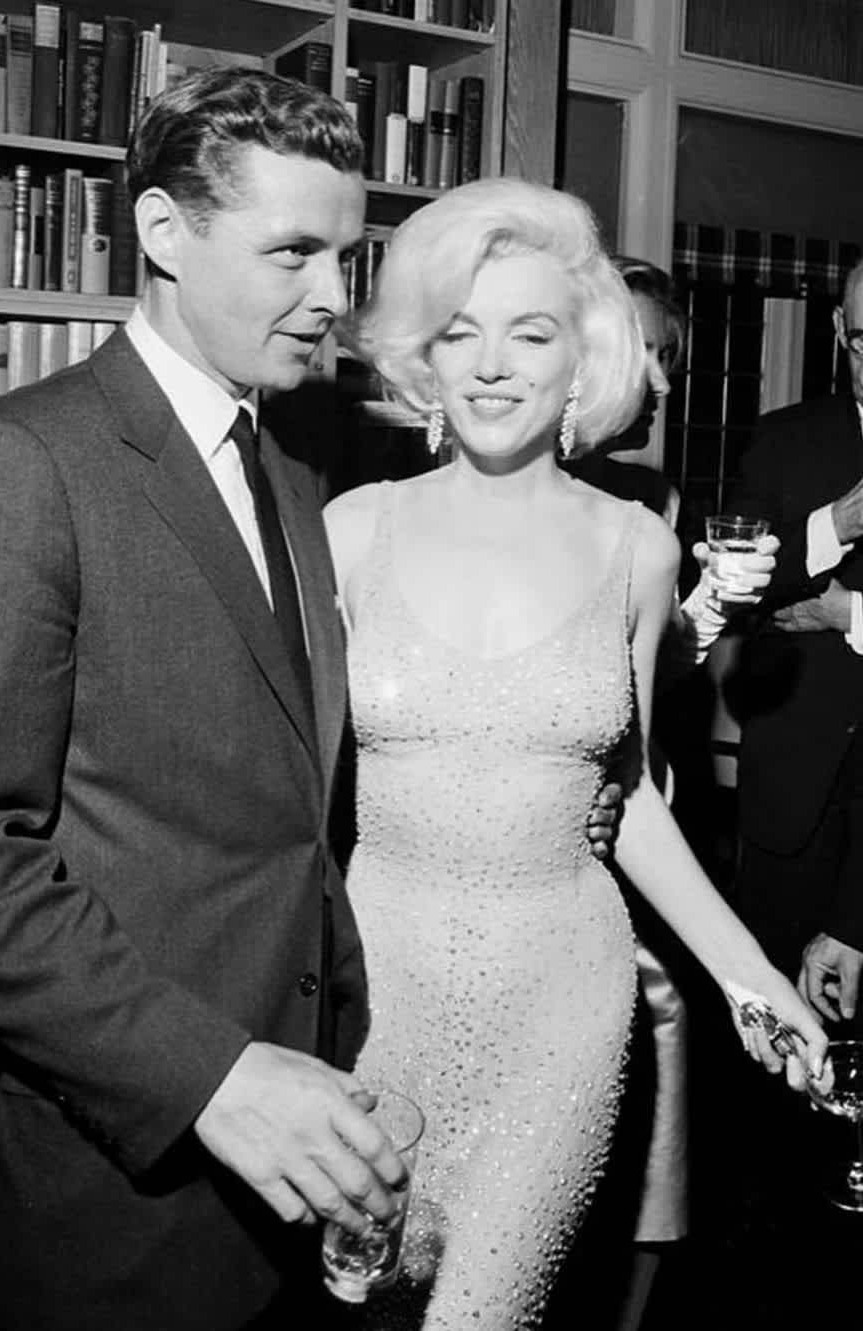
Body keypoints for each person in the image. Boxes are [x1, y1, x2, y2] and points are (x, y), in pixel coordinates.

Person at [0, 71, 618, 1331]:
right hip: (122, 1191)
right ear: (164, 232)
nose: (331, 296)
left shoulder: (292, 461)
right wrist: (210, 1078)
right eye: (292, 253)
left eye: (344, 256)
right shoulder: (19, 467)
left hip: (303, 1163)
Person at [323, 177, 826, 1330]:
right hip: (377, 998)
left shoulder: (638, 549)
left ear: (582, 360)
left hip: (561, 1005)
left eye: (530, 333)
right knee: (367, 1308)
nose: (492, 364)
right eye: (461, 332)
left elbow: (629, 793)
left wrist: (751, 977)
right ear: (423, 354)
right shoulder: (353, 531)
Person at [725, 257, 863, 1025]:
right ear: (839, 331)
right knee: (777, 1036)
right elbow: (735, 589)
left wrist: (849, 614)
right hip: (798, 800)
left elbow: (812, 606)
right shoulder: (786, 440)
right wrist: (833, 526)